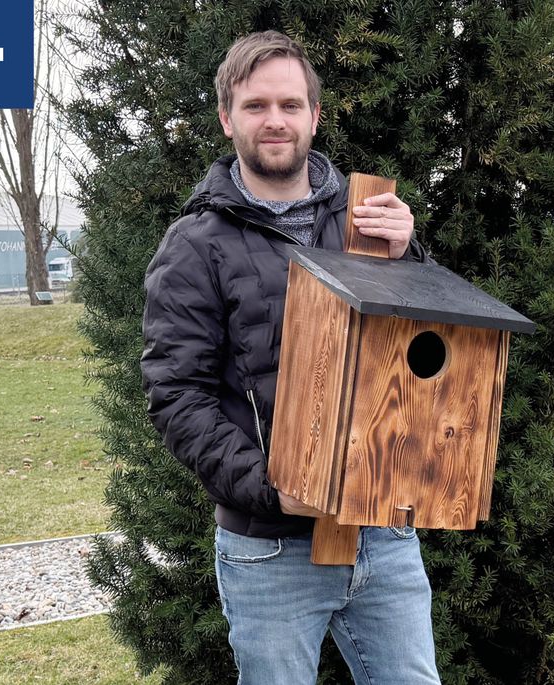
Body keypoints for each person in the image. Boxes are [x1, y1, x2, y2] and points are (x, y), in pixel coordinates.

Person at [140, 30, 441, 684]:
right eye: (254, 106)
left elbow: (422, 351)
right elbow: (178, 397)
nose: (274, 120)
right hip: (269, 550)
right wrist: (276, 486)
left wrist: (412, 258)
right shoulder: (194, 246)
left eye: (289, 104)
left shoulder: (370, 216)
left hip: (382, 536)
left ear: (314, 115)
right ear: (226, 118)